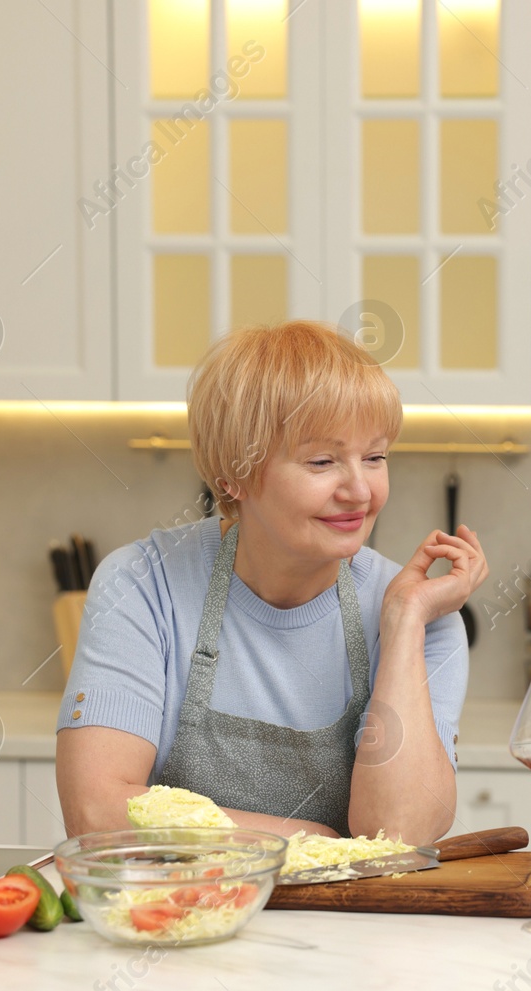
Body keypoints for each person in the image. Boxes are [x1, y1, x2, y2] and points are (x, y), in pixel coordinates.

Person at [56, 321, 486, 843]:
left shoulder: (419, 613)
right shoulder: (144, 585)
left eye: (374, 457)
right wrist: (311, 842)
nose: (359, 490)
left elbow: (397, 835)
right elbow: (96, 812)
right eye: (322, 461)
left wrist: (403, 626)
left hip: (360, 927)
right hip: (178, 915)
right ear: (233, 475)